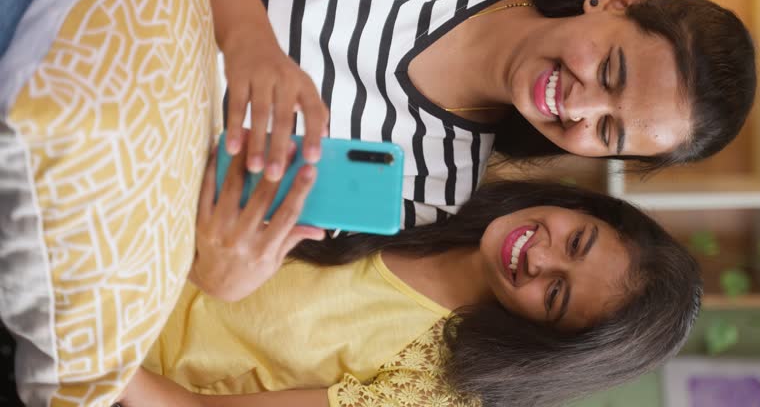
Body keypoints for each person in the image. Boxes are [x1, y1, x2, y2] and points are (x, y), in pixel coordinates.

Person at [198, 0, 756, 228]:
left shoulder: (440, 185)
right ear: (615, 2)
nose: (580, 108)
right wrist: (247, 37)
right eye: (610, 72)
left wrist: (228, 265)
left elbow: (226, 203)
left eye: (608, 132)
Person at [117, 148, 702, 407]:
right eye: (577, 241)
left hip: (108, 356)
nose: (540, 257)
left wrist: (95, 347)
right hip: (129, 229)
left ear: (543, 336)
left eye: (555, 294)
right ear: (586, 209)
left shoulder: (433, 390)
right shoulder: (437, 176)